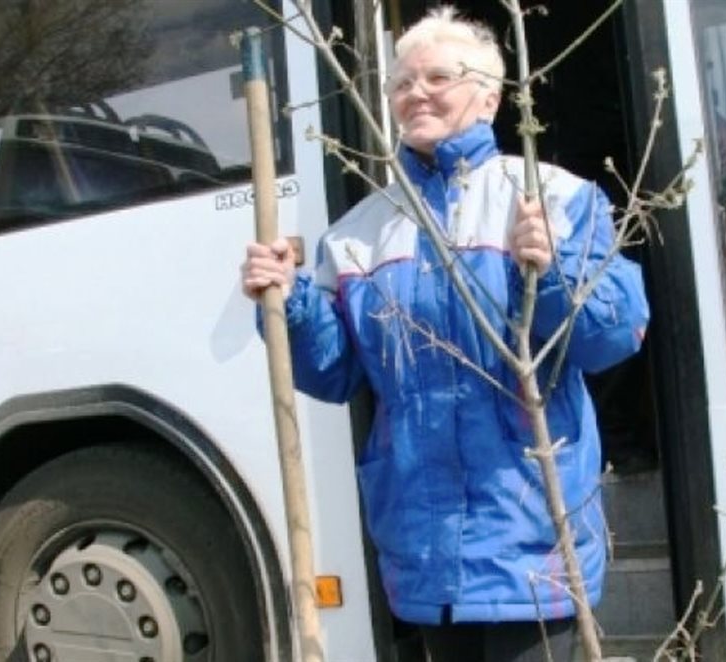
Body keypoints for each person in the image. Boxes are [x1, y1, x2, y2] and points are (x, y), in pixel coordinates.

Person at [241, 7, 649, 661]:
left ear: (489, 98)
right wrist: (289, 304)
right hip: (423, 547)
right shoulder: (357, 234)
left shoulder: (551, 198)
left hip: (532, 538)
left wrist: (551, 273)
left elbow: (615, 336)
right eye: (402, 83)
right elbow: (334, 373)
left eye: (437, 78)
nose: (416, 93)